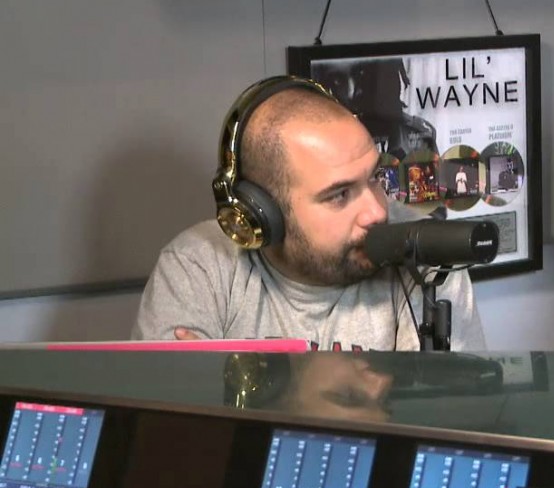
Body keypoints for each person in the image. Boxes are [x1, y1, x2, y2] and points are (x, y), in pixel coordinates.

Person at [131, 76, 487, 352]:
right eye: (340, 195)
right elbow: (171, 424)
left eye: (375, 177)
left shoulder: (426, 255)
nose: (376, 212)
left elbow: (445, 422)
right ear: (263, 214)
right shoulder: (198, 266)